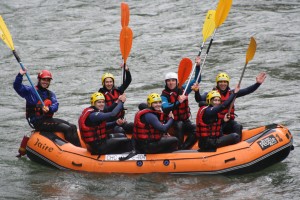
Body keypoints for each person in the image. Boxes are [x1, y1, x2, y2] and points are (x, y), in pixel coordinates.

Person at [13, 69, 81, 147]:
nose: (45, 82)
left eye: (48, 80)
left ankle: (79, 149)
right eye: (43, 79)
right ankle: (75, 150)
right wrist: (20, 75)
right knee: (67, 129)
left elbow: (55, 105)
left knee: (73, 126)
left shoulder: (50, 94)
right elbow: (17, 86)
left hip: (47, 120)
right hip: (38, 121)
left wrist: (49, 109)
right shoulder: (30, 91)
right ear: (39, 80)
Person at [195, 72, 267, 138]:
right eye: (221, 82)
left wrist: (257, 84)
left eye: (225, 82)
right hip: (217, 123)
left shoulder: (232, 93)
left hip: (228, 122)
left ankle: (238, 145)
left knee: (238, 126)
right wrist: (197, 91)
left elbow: (247, 90)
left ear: (228, 83)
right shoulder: (211, 94)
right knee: (219, 132)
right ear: (217, 83)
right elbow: (199, 99)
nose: (223, 84)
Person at [160, 56, 201, 149]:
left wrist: (198, 66)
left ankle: (184, 148)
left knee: (197, 129)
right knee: (179, 125)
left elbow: (197, 80)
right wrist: (178, 101)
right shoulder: (164, 95)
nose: (171, 83)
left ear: (176, 81)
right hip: (172, 123)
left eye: (173, 80)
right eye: (169, 81)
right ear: (166, 83)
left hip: (185, 120)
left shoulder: (184, 88)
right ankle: (177, 146)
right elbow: (165, 108)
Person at [196, 87, 241, 151]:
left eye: (218, 100)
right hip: (207, 143)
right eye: (215, 100)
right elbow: (223, 106)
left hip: (213, 140)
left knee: (236, 127)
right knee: (235, 136)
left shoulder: (213, 111)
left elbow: (213, 125)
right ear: (210, 101)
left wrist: (223, 120)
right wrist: (234, 94)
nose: (217, 102)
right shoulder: (208, 110)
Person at [98, 64, 133, 133]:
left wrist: (127, 70)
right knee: (120, 131)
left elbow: (128, 80)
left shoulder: (118, 90)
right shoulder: (100, 95)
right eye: (107, 82)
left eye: (111, 82)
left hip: (120, 119)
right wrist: (117, 101)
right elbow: (106, 109)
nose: (109, 84)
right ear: (103, 83)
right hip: (110, 122)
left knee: (132, 126)